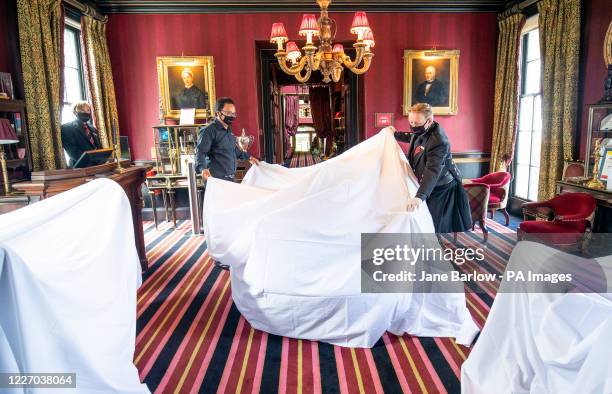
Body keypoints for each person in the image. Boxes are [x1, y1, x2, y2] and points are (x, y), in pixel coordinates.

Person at [196, 97, 260, 269]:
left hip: (229, 181)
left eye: (234, 113)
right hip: (216, 181)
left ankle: (227, 252)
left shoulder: (229, 133)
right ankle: (219, 256)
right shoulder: (209, 131)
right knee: (218, 220)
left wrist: (249, 157)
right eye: (228, 113)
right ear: (218, 113)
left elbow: (235, 152)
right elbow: (200, 152)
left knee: (228, 218)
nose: (232, 116)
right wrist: (202, 169)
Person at [395, 103, 471, 234]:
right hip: (428, 184)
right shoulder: (423, 129)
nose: (413, 126)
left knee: (434, 224)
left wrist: (420, 196)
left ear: (429, 121)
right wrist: (395, 134)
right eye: (411, 122)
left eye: (416, 123)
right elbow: (413, 136)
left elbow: (432, 170)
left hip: (442, 187)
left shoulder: (438, 140)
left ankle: (436, 250)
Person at [61, 101, 103, 167]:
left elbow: (99, 148)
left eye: (88, 110)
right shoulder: (66, 128)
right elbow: (73, 152)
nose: (86, 113)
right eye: (82, 110)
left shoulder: (93, 128)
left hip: (98, 166)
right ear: (75, 112)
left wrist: (102, 160)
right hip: (79, 168)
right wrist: (92, 162)